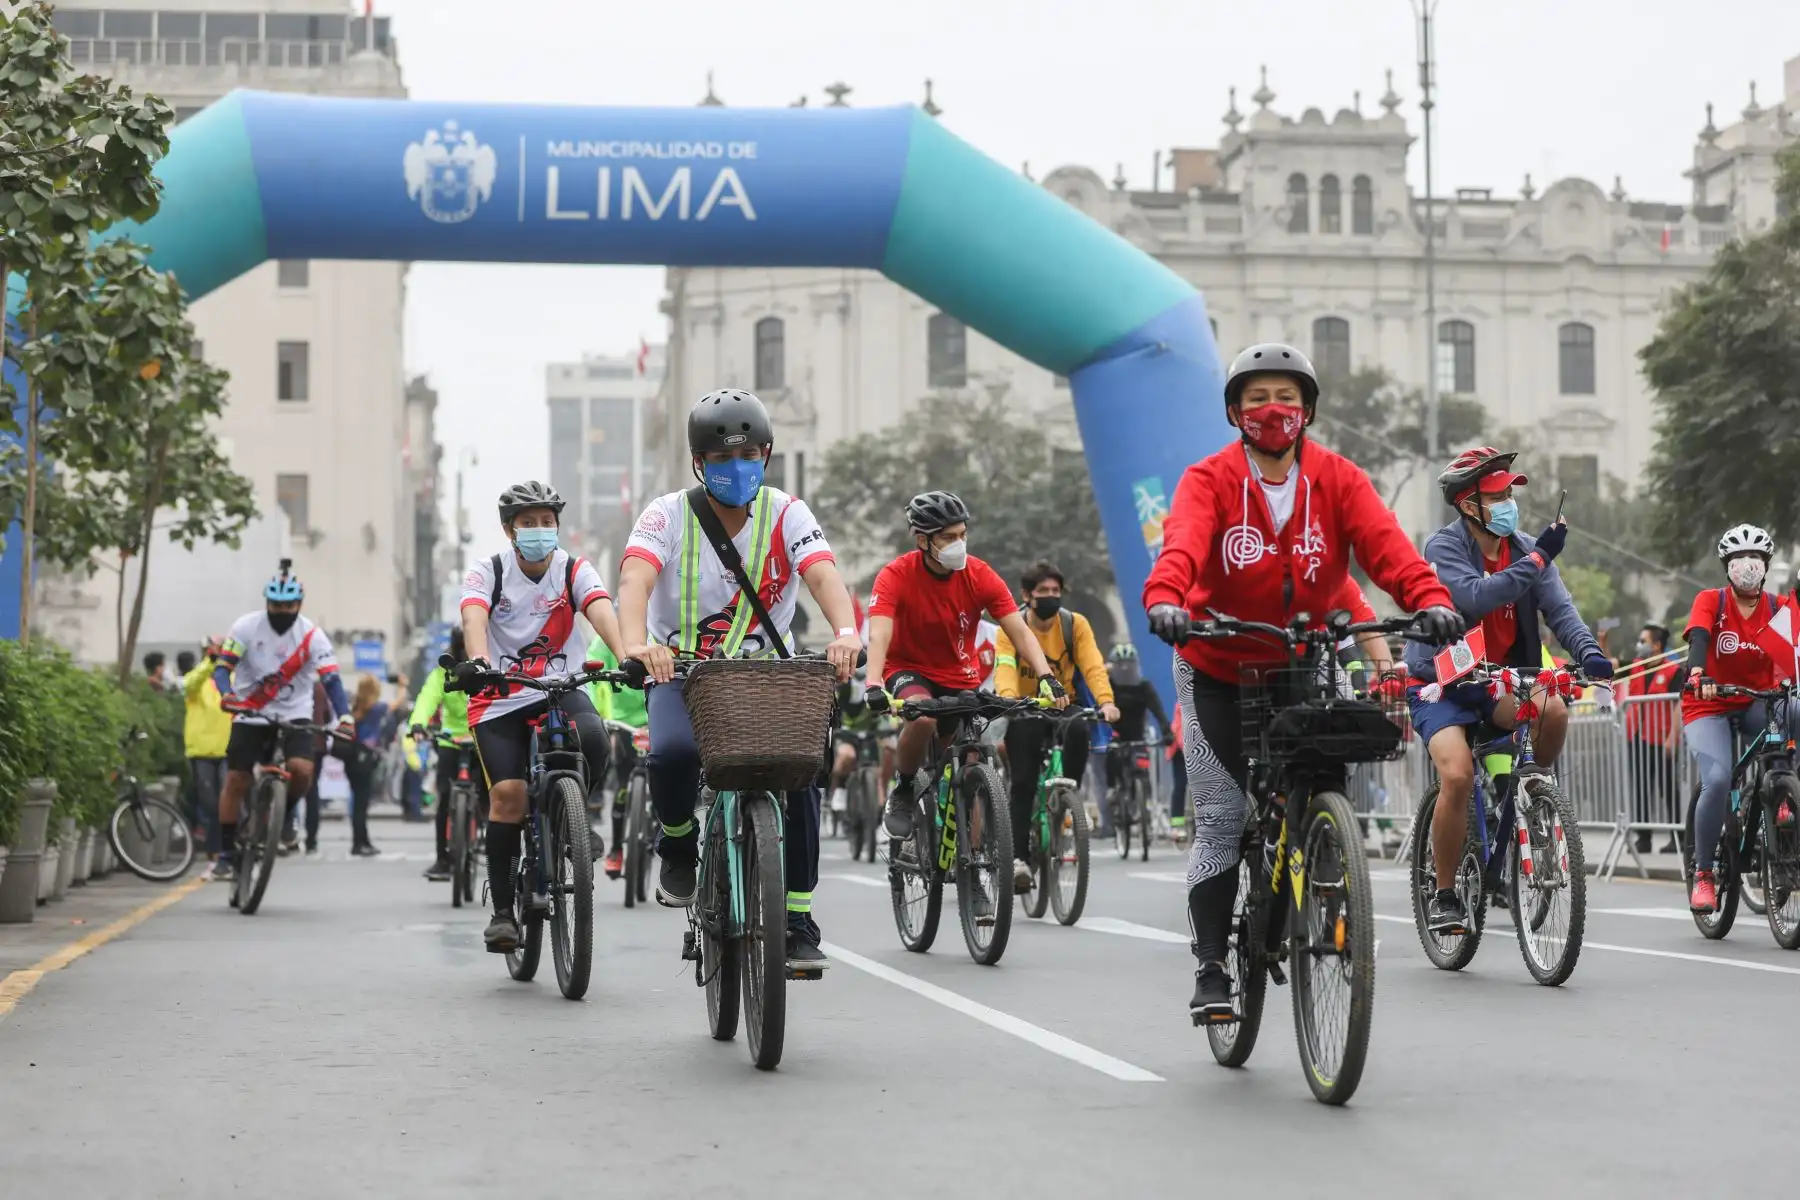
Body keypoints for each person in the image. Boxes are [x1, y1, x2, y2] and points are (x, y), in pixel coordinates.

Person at [1142, 342, 1461, 1021]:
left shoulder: (1339, 480)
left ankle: (1325, 867)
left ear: (1308, 410)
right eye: (1257, 398)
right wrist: (1166, 600)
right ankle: (1212, 967)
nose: (1272, 409)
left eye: (1286, 397)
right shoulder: (1209, 479)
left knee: (1325, 772)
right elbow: (1183, 545)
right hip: (1214, 661)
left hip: (1303, 657)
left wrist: (1430, 600)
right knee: (1223, 818)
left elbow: (1388, 551)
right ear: (1235, 412)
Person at [616, 389, 862, 973]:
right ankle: (678, 841)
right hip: (681, 671)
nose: (737, 467)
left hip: (768, 676)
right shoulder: (666, 515)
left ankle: (797, 920)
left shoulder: (789, 513)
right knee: (672, 755)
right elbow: (634, 581)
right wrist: (635, 645)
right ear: (699, 463)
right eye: (721, 457)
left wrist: (847, 631)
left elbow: (822, 576)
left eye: (748, 454)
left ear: (766, 454)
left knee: (802, 773)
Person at [1406, 446, 1611, 935]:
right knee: (1457, 775)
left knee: (1553, 710)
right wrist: (1539, 557)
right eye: (1497, 496)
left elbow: (1561, 612)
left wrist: (1590, 654)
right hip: (1443, 684)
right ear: (1467, 504)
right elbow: (1476, 596)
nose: (1508, 504)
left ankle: (1531, 796)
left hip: (1499, 680)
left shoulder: (1526, 550)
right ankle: (1446, 894)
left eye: (1509, 494)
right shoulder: (1443, 548)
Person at [459, 479, 627, 953]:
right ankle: (503, 913)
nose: (539, 530)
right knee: (508, 797)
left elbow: (600, 609)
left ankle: (572, 817)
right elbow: (473, 616)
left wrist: (625, 655)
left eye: (547, 522)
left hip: (559, 688)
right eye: (528, 522)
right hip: (499, 696)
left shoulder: (573, 570)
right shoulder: (489, 571)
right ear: (509, 530)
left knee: (594, 741)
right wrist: (478, 661)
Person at [864, 491, 1066, 855]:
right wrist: (874, 683)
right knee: (923, 720)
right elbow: (880, 634)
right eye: (948, 537)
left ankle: (971, 859)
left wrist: (1046, 677)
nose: (959, 543)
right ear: (923, 541)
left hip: (959, 675)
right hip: (908, 670)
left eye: (962, 534)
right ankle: (904, 790)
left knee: (971, 759)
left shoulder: (979, 574)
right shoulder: (895, 575)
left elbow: (1019, 632)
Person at [210, 560, 353, 888]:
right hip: (250, 711)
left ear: (299, 605)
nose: (282, 611)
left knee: (302, 770)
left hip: (294, 713)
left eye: (288, 606)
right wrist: (227, 694)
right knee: (236, 779)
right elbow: (222, 668)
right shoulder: (245, 627)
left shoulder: (313, 636)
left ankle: (285, 814)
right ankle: (226, 853)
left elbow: (331, 680)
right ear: (267, 602)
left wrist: (345, 716)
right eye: (276, 605)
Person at [1681, 524, 1799, 913]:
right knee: (1717, 780)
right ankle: (1704, 873)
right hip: (1709, 703)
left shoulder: (1779, 608)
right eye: (1738, 560)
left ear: (1766, 565)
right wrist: (1698, 674)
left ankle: (1785, 792)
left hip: (1758, 701)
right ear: (1726, 566)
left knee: (1796, 714)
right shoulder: (1710, 602)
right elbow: (1699, 638)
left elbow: (1795, 652)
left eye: (1755, 559)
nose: (1747, 566)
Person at [993, 560, 1118, 890]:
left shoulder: (1074, 625)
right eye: (1043, 591)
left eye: (1055, 590)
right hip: (1025, 707)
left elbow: (1093, 666)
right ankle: (1019, 860)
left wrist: (1106, 702)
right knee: (1023, 783)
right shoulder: (1011, 627)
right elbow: (1004, 666)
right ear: (1026, 595)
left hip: (1063, 705)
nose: (1050, 596)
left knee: (1079, 728)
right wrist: (1009, 699)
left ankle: (1067, 799)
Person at [410, 627, 487, 881]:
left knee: (494, 793)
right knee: (443, 798)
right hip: (450, 740)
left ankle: (490, 837)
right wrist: (418, 724)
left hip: (482, 738)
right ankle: (442, 858)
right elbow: (427, 699)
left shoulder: (489, 668)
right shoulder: (442, 673)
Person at [585, 634, 645, 880]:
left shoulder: (655, 630)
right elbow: (593, 681)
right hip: (621, 721)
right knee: (622, 784)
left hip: (655, 718)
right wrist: (603, 720)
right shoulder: (604, 641)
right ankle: (617, 849)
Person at [1620, 623, 1682, 855]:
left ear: (1656, 645)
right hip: (1637, 737)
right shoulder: (1636, 666)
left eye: (1643, 641)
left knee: (1668, 788)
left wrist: (1672, 737)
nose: (1639, 645)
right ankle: (1643, 838)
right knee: (1640, 788)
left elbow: (1678, 705)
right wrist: (1602, 644)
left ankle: (1677, 838)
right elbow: (1610, 667)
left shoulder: (1674, 670)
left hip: (1661, 739)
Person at [1101, 643, 1173, 805]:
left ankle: (1146, 800)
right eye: (1121, 664)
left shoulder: (1144, 686)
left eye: (1129, 664)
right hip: (1114, 733)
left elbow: (1158, 710)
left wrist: (1166, 731)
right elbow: (1097, 708)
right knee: (1112, 755)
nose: (1125, 668)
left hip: (1138, 735)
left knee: (1143, 764)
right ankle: (1112, 788)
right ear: (1114, 667)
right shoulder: (1107, 685)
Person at [182, 638, 231, 874]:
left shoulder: (233, 680)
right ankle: (214, 856)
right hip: (201, 752)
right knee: (210, 807)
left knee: (228, 804)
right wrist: (209, 662)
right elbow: (187, 684)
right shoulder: (197, 681)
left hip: (228, 751)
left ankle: (230, 855)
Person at [343, 675, 390, 857]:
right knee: (361, 804)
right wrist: (402, 686)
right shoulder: (376, 709)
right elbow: (396, 704)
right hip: (365, 760)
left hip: (352, 760)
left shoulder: (355, 709)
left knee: (358, 802)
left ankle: (362, 841)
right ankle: (359, 843)